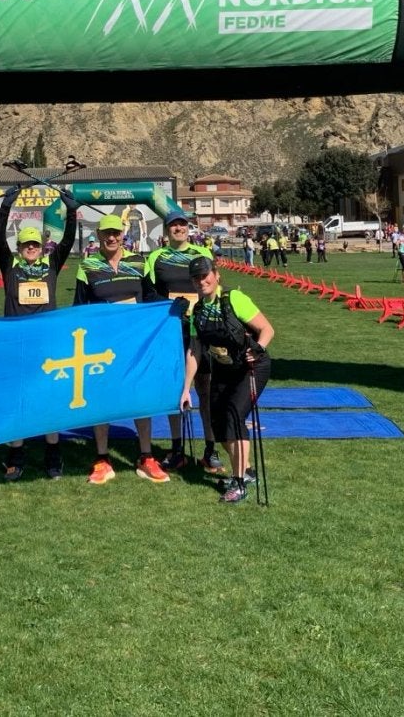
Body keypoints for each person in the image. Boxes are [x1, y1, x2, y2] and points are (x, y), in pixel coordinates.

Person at [74, 213, 170, 484]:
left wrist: (172, 306)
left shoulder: (138, 261)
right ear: (99, 236)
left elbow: (151, 297)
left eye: (116, 233)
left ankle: (146, 456)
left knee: (141, 398)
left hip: (135, 344)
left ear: (123, 235)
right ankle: (102, 459)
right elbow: (79, 307)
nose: (112, 237)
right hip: (101, 346)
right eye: (107, 233)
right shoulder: (87, 266)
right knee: (102, 398)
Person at [0, 186, 78, 481]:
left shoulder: (51, 266)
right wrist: (6, 206)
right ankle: (16, 454)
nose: (31, 248)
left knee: (48, 399)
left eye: (35, 245)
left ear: (42, 247)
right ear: (19, 248)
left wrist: (71, 211)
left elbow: (68, 239)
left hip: (46, 344)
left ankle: (53, 454)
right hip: (17, 344)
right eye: (26, 245)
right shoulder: (10, 267)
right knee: (18, 399)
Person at [187, 256, 274, 504]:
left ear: (216, 275)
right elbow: (194, 351)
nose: (201, 281)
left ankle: (239, 483)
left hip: (251, 367)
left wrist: (258, 348)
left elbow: (267, 329)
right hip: (223, 369)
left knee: (235, 416)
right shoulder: (198, 310)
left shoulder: (234, 299)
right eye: (196, 278)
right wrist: (185, 389)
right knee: (218, 424)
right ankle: (246, 471)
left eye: (205, 276)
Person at [146, 209, 219, 474]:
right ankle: (177, 449)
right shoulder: (156, 257)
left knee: (206, 390)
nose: (179, 228)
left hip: (201, 331)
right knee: (177, 390)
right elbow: (147, 294)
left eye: (182, 224)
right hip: (171, 333)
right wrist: (170, 306)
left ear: (189, 228)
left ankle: (210, 449)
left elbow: (214, 289)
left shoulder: (203, 253)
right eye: (173, 225)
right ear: (167, 230)